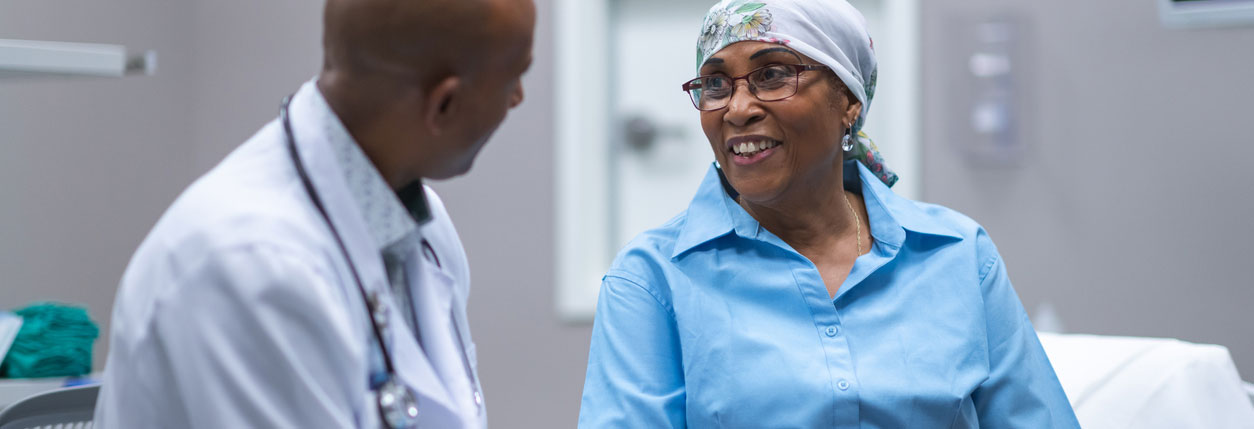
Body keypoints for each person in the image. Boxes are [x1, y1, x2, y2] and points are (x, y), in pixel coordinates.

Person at [578, 0, 1080, 427]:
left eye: (772, 75)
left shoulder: (956, 254)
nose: (737, 108)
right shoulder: (652, 279)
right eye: (715, 85)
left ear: (847, 101)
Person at [92, 0, 534, 427]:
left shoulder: (425, 229)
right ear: (443, 105)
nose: (518, 97)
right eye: (513, 77)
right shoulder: (245, 266)